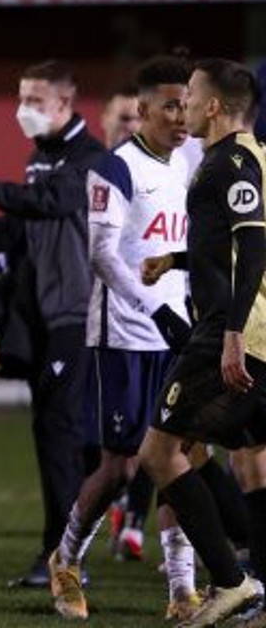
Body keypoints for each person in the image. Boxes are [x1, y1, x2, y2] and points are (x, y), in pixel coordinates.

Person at [44, 55, 199, 621]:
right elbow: (102, 255)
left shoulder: (185, 164)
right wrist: (152, 310)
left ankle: (182, 591)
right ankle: (66, 560)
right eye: (169, 106)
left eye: (186, 105)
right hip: (124, 337)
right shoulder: (115, 169)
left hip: (177, 334)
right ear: (142, 110)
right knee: (122, 468)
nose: (181, 117)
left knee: (178, 458)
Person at [0, 60, 107, 588]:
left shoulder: (90, 159)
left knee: (67, 434)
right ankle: (63, 550)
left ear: (65, 105)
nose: (24, 110)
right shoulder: (40, 158)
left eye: (35, 101)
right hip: (45, 317)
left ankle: (67, 557)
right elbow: (23, 223)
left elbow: (49, 203)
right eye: (21, 98)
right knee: (60, 434)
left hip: (79, 314)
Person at [137, 58, 266, 626]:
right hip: (249, 329)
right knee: (250, 461)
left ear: (213, 106)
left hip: (228, 334)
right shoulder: (247, 158)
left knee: (161, 453)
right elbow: (234, 247)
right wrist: (177, 259)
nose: (183, 102)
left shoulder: (229, 164)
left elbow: (255, 252)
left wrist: (233, 334)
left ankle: (232, 582)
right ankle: (254, 585)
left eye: (189, 94)